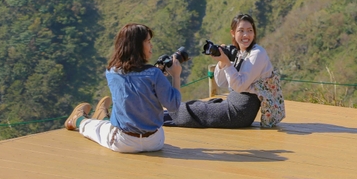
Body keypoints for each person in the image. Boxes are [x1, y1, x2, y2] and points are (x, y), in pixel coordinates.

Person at [64, 23, 182, 153]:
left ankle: (79, 120)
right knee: (110, 124)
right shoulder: (155, 74)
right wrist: (176, 76)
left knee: (94, 127)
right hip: (154, 142)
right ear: (137, 46)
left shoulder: (112, 72)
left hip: (123, 142)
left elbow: (131, 91)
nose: (151, 45)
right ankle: (96, 117)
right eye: (148, 41)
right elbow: (173, 106)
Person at [165, 13, 280, 128]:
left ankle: (156, 119)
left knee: (199, 111)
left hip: (242, 112)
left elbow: (240, 86)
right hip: (232, 104)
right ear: (233, 33)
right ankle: (161, 115)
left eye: (250, 30)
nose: (246, 35)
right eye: (241, 31)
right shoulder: (239, 52)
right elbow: (222, 82)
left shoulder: (257, 53)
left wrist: (227, 63)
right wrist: (222, 62)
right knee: (198, 105)